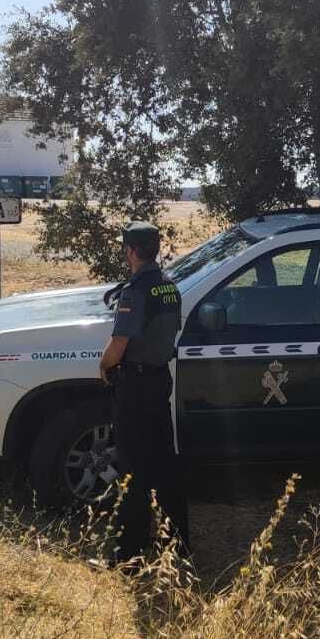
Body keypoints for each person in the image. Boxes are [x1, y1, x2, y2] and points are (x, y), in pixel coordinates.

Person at [98, 221, 189, 562]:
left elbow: (118, 344)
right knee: (164, 463)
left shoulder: (135, 291)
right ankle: (177, 544)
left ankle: (129, 554)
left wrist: (104, 366)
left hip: (134, 385)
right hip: (159, 380)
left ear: (132, 251)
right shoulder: (170, 287)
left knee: (133, 468)